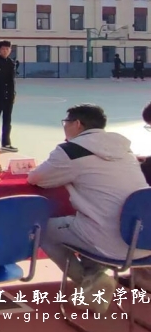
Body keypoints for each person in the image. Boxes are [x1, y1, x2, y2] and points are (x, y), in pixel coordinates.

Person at [28, 104, 151, 313]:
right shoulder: (125, 149)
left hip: (110, 242)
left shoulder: (71, 151)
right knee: (83, 222)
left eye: (66, 123)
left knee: (43, 229)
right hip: (143, 242)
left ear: (77, 124)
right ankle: (95, 276)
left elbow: (36, 178)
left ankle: (89, 282)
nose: (64, 127)